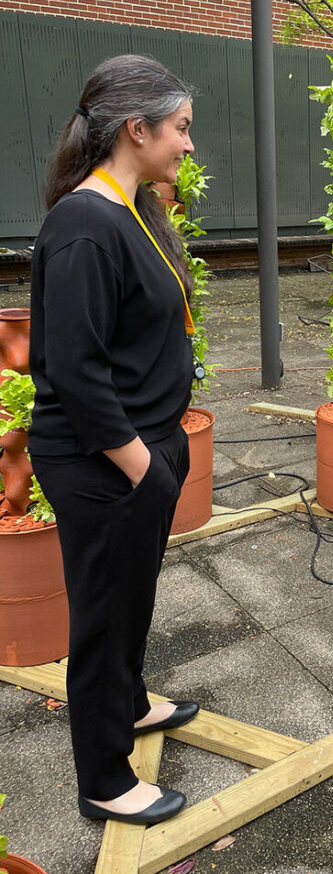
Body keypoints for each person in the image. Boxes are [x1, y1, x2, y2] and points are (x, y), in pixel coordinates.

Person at [29, 54, 201, 825]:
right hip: (107, 460)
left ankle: (127, 704)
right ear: (137, 129)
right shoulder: (84, 223)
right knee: (102, 614)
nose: (189, 146)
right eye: (181, 128)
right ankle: (104, 779)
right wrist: (143, 469)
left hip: (141, 449)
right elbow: (73, 366)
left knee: (130, 598)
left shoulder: (128, 209)